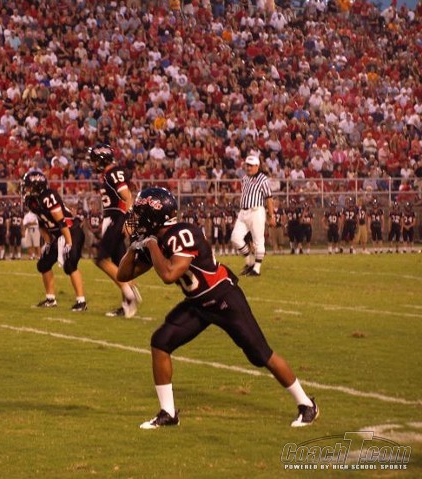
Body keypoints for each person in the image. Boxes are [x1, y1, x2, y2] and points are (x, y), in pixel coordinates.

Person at [117, 187, 319, 429]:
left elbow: (169, 274)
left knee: (261, 354)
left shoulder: (181, 233)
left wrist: (150, 245)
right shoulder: (156, 239)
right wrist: (134, 248)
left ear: (155, 215)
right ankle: (168, 413)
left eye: (141, 213)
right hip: (198, 303)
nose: (136, 218)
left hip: (224, 299)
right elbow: (123, 274)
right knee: (161, 341)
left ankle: (306, 404)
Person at [21, 170, 87, 312]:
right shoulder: (31, 201)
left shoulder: (48, 196)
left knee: (70, 265)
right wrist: (48, 242)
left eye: (28, 186)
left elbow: (61, 222)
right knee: (43, 264)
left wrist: (68, 243)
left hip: (71, 231)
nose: (26, 189)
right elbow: (41, 222)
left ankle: (81, 302)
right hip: (58, 235)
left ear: (37, 186)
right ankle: (50, 299)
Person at [88, 144, 141, 317]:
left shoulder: (113, 173)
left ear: (101, 160)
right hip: (114, 218)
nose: (93, 164)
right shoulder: (109, 173)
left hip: (117, 219)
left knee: (101, 259)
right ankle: (127, 305)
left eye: (94, 160)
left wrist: (130, 221)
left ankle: (129, 293)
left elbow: (127, 197)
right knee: (120, 264)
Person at [231, 155, 276, 276]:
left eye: (251, 166)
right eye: (247, 165)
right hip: (243, 212)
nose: (248, 168)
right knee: (235, 238)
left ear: (257, 166)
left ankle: (256, 269)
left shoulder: (263, 179)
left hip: (256, 211)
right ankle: (250, 262)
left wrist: (271, 216)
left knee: (258, 241)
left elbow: (269, 198)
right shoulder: (245, 178)